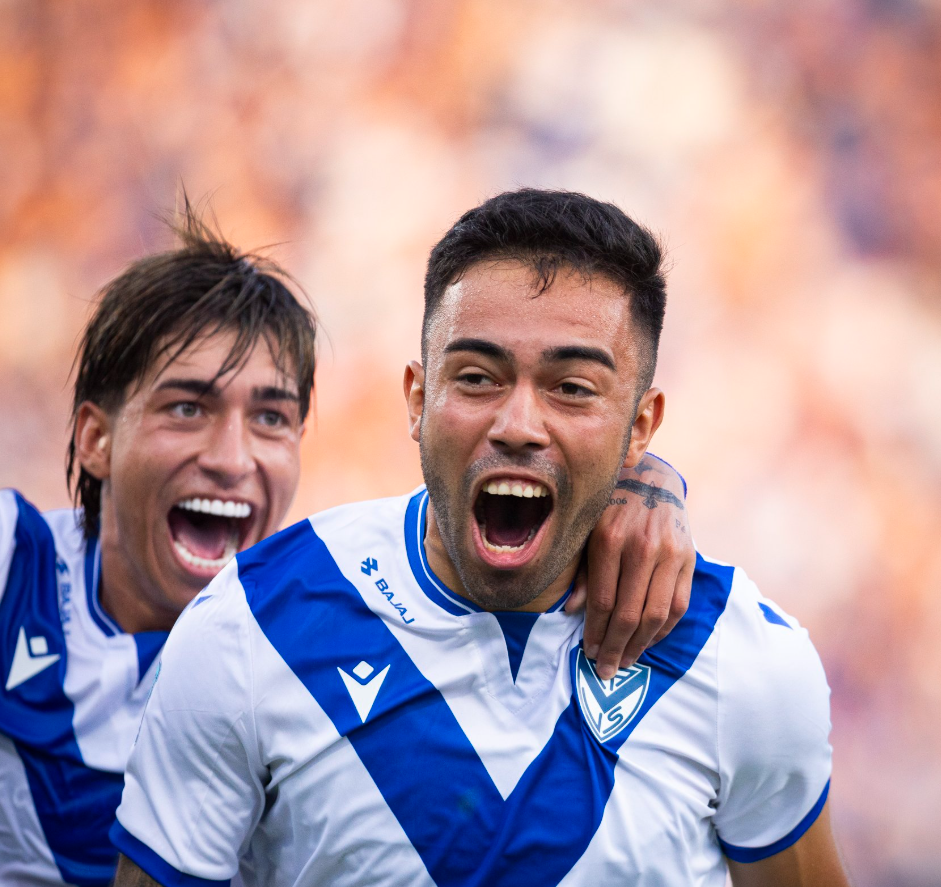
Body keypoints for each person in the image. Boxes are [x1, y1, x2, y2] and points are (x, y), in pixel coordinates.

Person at [111, 188, 849, 887]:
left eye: (572, 388)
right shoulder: (251, 628)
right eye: (476, 377)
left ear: (641, 427)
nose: (518, 425)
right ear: (418, 397)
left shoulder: (741, 659)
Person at [0, 205, 694, 887]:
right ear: (95, 437)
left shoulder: (288, 621)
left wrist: (648, 481)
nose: (232, 456)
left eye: (271, 417)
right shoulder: (14, 567)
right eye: (188, 408)